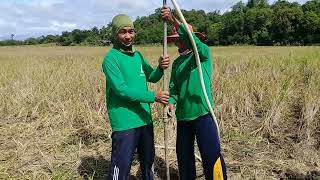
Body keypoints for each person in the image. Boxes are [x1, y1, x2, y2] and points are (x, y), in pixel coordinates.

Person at [161, 6, 228, 180]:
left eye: (182, 38)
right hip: (183, 118)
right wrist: (171, 102)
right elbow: (174, 88)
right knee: (184, 157)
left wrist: (173, 20)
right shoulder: (176, 64)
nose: (178, 42)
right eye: (177, 39)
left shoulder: (203, 55)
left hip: (204, 114)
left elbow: (194, 43)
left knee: (211, 155)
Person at [102, 14, 170, 180]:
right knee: (121, 166)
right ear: (114, 34)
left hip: (145, 118)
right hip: (125, 122)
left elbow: (152, 77)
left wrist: (160, 68)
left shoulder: (138, 56)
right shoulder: (110, 59)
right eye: (122, 32)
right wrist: (154, 96)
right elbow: (121, 90)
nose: (127, 36)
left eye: (131, 31)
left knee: (148, 163)